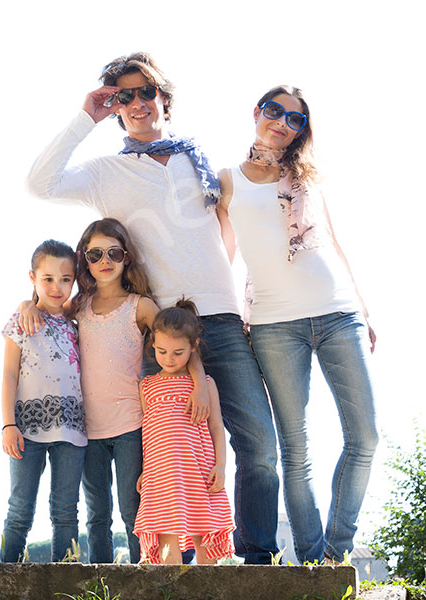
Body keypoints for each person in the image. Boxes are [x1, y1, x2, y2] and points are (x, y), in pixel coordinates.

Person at [26, 52, 280, 564]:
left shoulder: (201, 161)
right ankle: (169, 565)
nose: (138, 103)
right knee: (160, 455)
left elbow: (229, 229)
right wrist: (86, 117)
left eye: (146, 92)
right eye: (125, 96)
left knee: (260, 447)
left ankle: (257, 562)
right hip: (159, 333)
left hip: (224, 324)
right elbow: (40, 183)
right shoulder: (105, 173)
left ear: (164, 97)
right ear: (115, 107)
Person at [216, 85, 378, 563]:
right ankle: (311, 561)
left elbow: (335, 243)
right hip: (272, 324)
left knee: (365, 437)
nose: (283, 122)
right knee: (295, 449)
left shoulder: (306, 177)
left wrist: (363, 309)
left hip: (337, 312)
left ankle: (336, 550)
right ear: (256, 113)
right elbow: (221, 257)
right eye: (275, 111)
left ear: (301, 132)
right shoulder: (227, 181)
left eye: (295, 119)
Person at [68, 218, 210, 564]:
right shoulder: (78, 305)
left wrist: (201, 385)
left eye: (114, 253)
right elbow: (45, 309)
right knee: (97, 512)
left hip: (132, 424)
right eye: (95, 254)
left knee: (134, 509)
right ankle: (101, 581)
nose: (105, 261)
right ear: (84, 259)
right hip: (89, 428)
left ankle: (141, 578)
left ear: (126, 257)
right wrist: (28, 305)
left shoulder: (140, 306)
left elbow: (177, 341)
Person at [0, 240, 87, 562]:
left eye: (65, 279)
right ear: (32, 278)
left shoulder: (77, 325)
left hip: (72, 430)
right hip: (27, 429)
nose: (57, 286)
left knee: (66, 511)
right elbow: (9, 375)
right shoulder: (21, 321)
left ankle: (65, 582)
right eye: (47, 278)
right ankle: (4, 580)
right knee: (20, 507)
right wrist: (8, 424)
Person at [134, 299, 235, 564]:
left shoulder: (204, 385)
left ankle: (208, 592)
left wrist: (221, 466)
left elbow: (216, 426)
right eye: (162, 351)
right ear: (153, 345)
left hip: (198, 469)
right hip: (162, 473)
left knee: (204, 528)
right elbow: (149, 432)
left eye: (178, 352)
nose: (169, 359)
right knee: (165, 530)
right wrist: (146, 469)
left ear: (193, 347)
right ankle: (170, 591)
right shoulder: (147, 386)